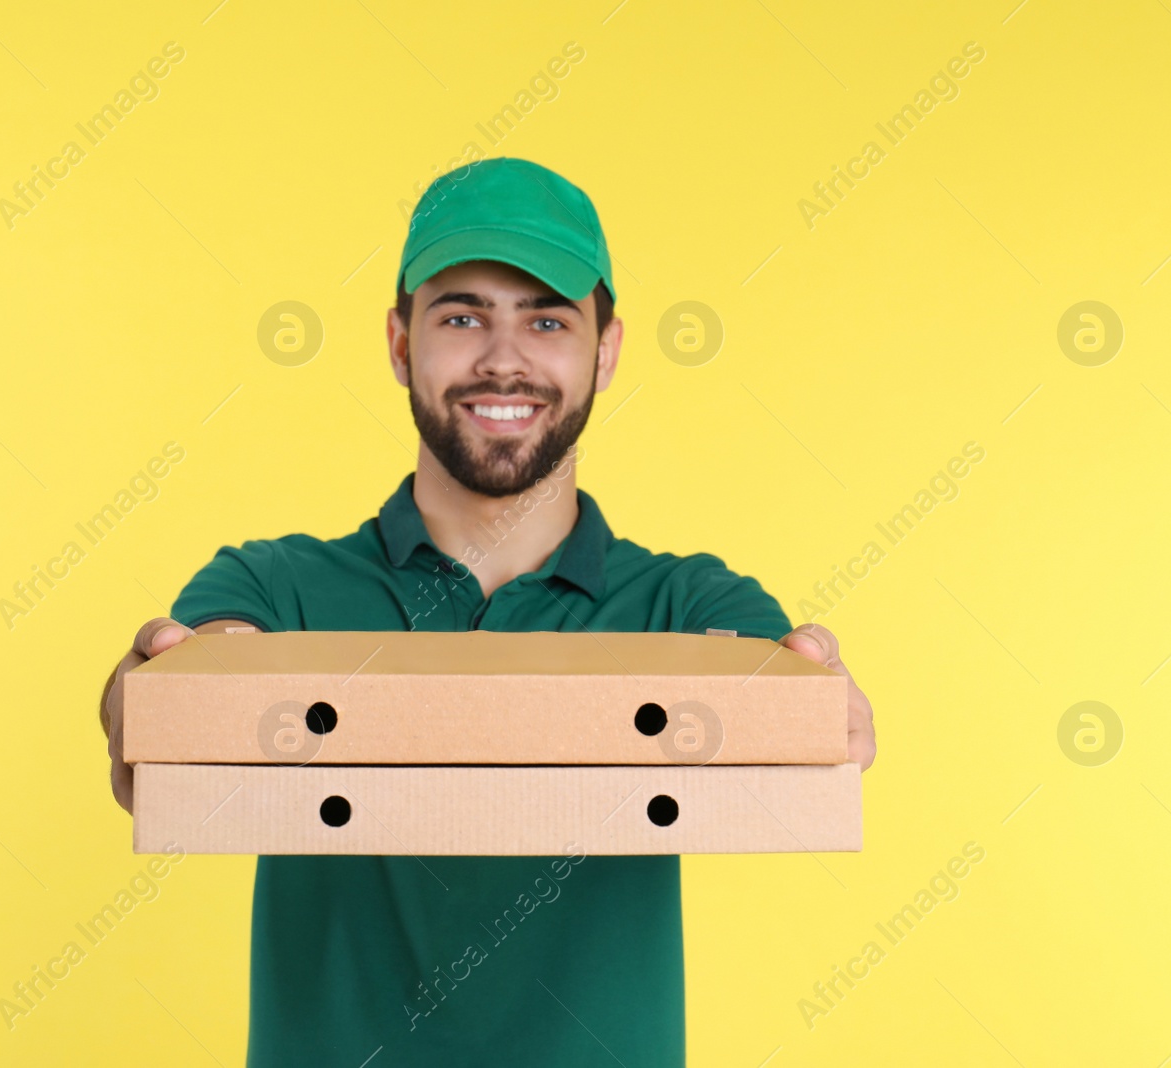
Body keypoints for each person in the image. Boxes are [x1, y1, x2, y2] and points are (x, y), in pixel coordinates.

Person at [100, 157, 876, 1066]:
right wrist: (153, 690)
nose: (503, 359)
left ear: (606, 348)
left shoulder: (689, 607)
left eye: (546, 320)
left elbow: (798, 725)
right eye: (462, 316)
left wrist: (816, 702)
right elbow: (180, 701)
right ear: (399, 344)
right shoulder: (273, 591)